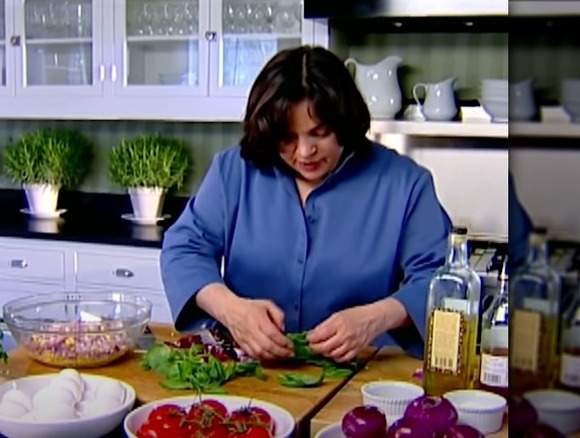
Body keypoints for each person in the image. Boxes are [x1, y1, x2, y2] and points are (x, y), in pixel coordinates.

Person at [160, 45, 452, 362]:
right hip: (246, 374)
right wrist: (233, 312)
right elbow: (184, 248)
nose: (304, 152)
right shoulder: (234, 171)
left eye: (320, 133)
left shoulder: (405, 184)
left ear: (345, 121)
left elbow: (444, 281)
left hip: (360, 380)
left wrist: (377, 317)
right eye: (287, 137)